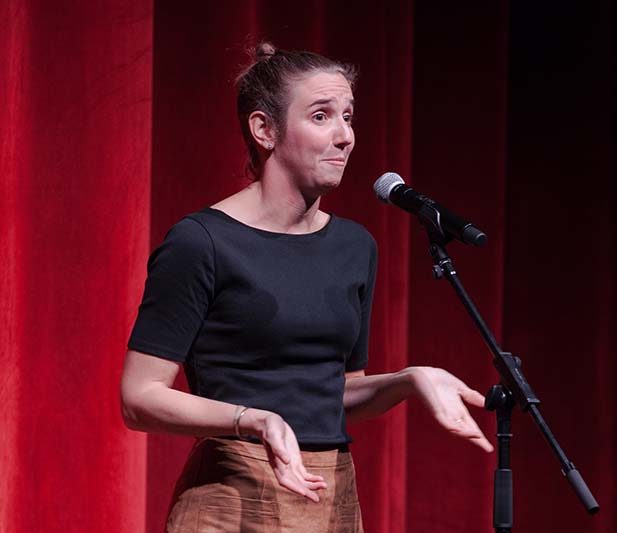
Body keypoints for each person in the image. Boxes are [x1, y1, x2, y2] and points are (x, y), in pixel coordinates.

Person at [120, 41, 492, 532]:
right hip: (235, 493)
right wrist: (254, 419)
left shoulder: (354, 246)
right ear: (264, 130)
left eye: (349, 117)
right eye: (321, 117)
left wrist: (410, 379)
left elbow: (334, 394)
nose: (345, 137)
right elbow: (138, 397)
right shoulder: (202, 242)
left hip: (332, 494)